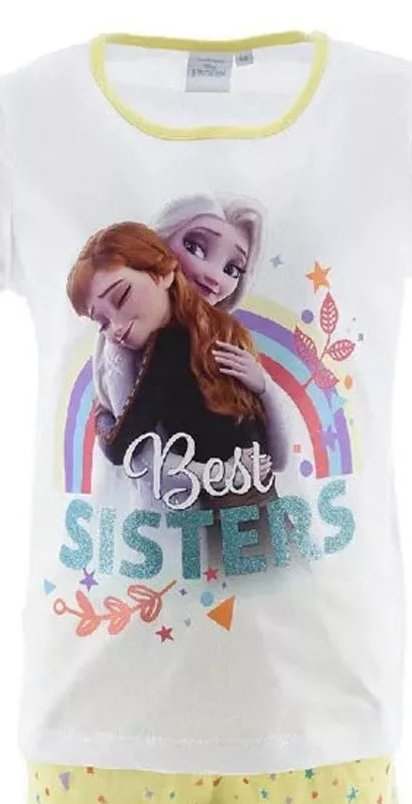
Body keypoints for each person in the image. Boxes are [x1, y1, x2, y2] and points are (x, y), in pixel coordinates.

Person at [68, 220, 281, 567]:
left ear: (164, 273)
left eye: (121, 297)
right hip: (261, 505)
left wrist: (101, 413)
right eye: (101, 322)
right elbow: (271, 451)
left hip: (232, 516)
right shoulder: (220, 328)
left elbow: (122, 447)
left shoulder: (169, 345)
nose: (116, 328)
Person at [90, 194, 288, 509]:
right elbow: (135, 455)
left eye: (232, 269)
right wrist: (228, 474)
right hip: (198, 512)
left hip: (254, 507)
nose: (214, 277)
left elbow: (278, 459)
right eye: (195, 247)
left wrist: (264, 386)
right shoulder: (152, 340)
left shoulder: (223, 334)